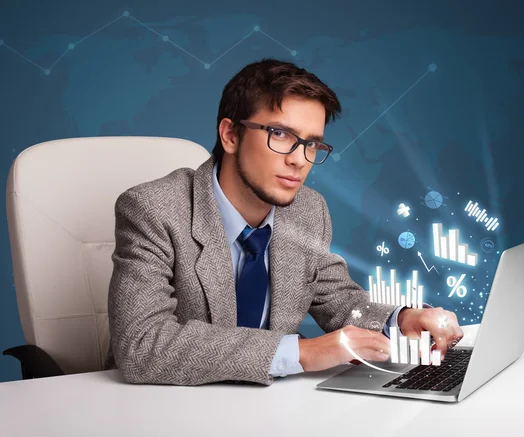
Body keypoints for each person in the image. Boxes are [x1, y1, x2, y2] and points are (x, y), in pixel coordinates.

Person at [105, 58, 463, 386]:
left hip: (271, 410)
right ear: (230, 135)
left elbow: (339, 301)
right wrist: (302, 352)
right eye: (281, 135)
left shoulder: (309, 210)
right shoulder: (153, 209)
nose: (300, 160)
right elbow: (141, 344)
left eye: (312, 144)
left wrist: (400, 320)